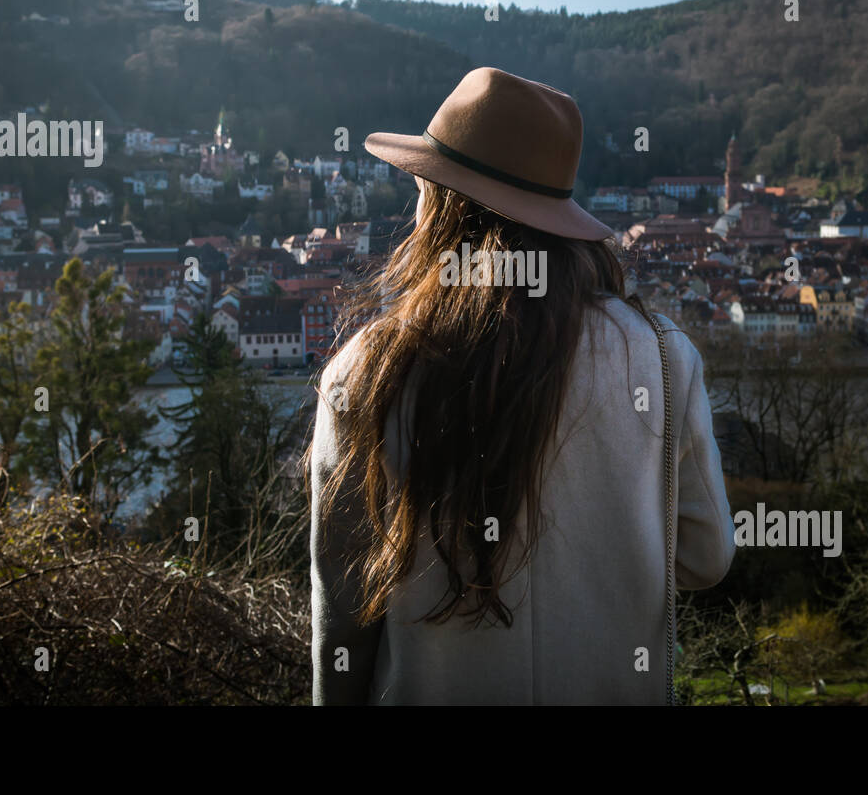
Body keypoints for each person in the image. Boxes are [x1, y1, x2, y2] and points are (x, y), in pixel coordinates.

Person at [308, 66, 734, 704]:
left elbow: (344, 613)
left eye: (426, 184)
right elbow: (705, 557)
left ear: (444, 207)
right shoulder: (662, 359)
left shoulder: (367, 370)